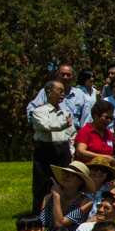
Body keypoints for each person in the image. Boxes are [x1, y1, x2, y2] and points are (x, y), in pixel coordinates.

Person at [28, 78, 77, 215]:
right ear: (49, 92)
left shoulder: (65, 112)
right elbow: (48, 126)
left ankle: (60, 214)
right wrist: (63, 125)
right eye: (59, 90)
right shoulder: (40, 112)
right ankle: (39, 217)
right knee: (43, 185)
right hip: (46, 150)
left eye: (63, 91)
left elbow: (72, 133)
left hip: (63, 151)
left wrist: (71, 151)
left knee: (63, 184)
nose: (62, 93)